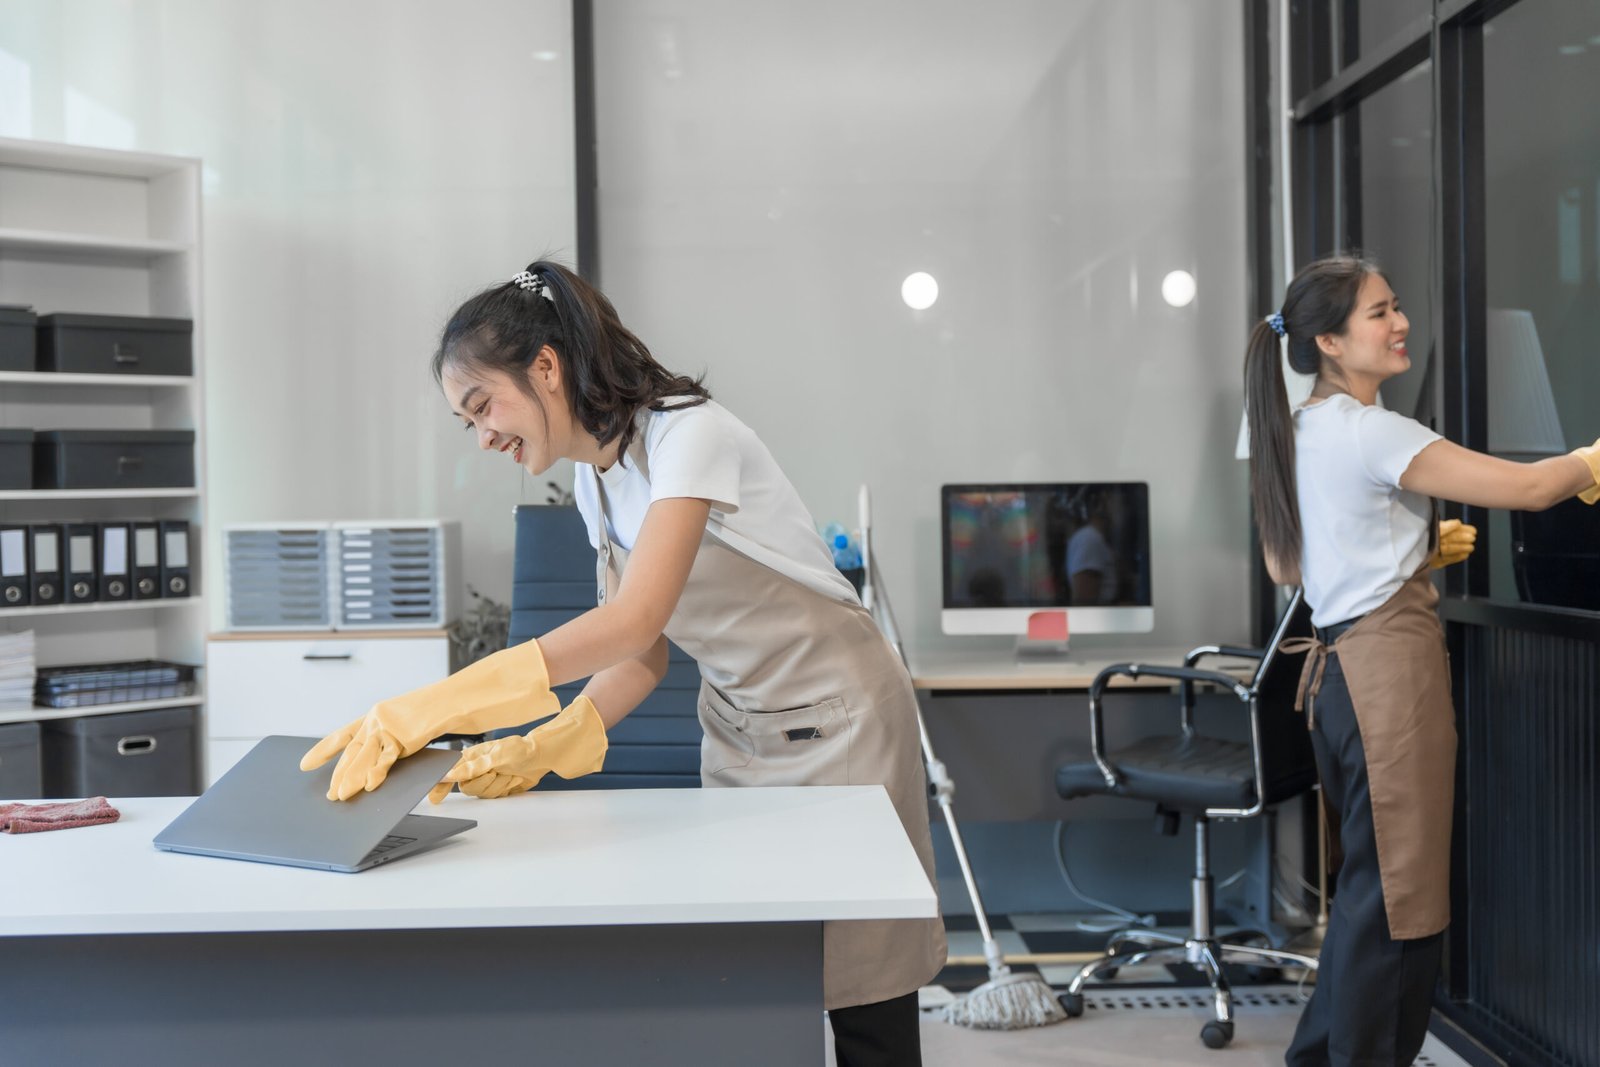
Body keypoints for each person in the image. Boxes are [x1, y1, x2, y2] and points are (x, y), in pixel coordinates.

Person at [300, 259, 947, 1067]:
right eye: (467, 422)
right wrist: (551, 741)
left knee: (862, 983)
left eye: (482, 405)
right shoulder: (593, 481)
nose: (484, 433)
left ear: (545, 367)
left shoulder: (689, 431)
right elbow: (642, 653)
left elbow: (631, 616)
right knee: (755, 976)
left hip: (842, 721)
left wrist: (440, 703)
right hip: (742, 728)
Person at [1243, 253, 1600, 1067]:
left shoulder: (1297, 428)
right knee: (1401, 904)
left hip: (1340, 679)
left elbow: (1286, 567)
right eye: (1379, 313)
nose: (1400, 323)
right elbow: (1531, 488)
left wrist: (1406, 550)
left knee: (1372, 894)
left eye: (1396, 305)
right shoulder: (1376, 431)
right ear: (1330, 340)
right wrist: (1592, 460)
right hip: (1387, 674)